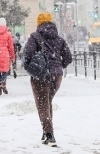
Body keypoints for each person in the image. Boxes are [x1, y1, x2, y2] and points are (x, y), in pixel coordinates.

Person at [24, 12, 72, 146]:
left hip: (41, 75)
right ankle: (46, 131)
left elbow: (28, 54)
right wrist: (58, 66)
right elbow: (68, 57)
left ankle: (49, 133)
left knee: (42, 103)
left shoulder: (35, 36)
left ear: (38, 23)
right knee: (47, 101)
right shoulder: (59, 39)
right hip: (57, 76)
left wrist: (30, 68)